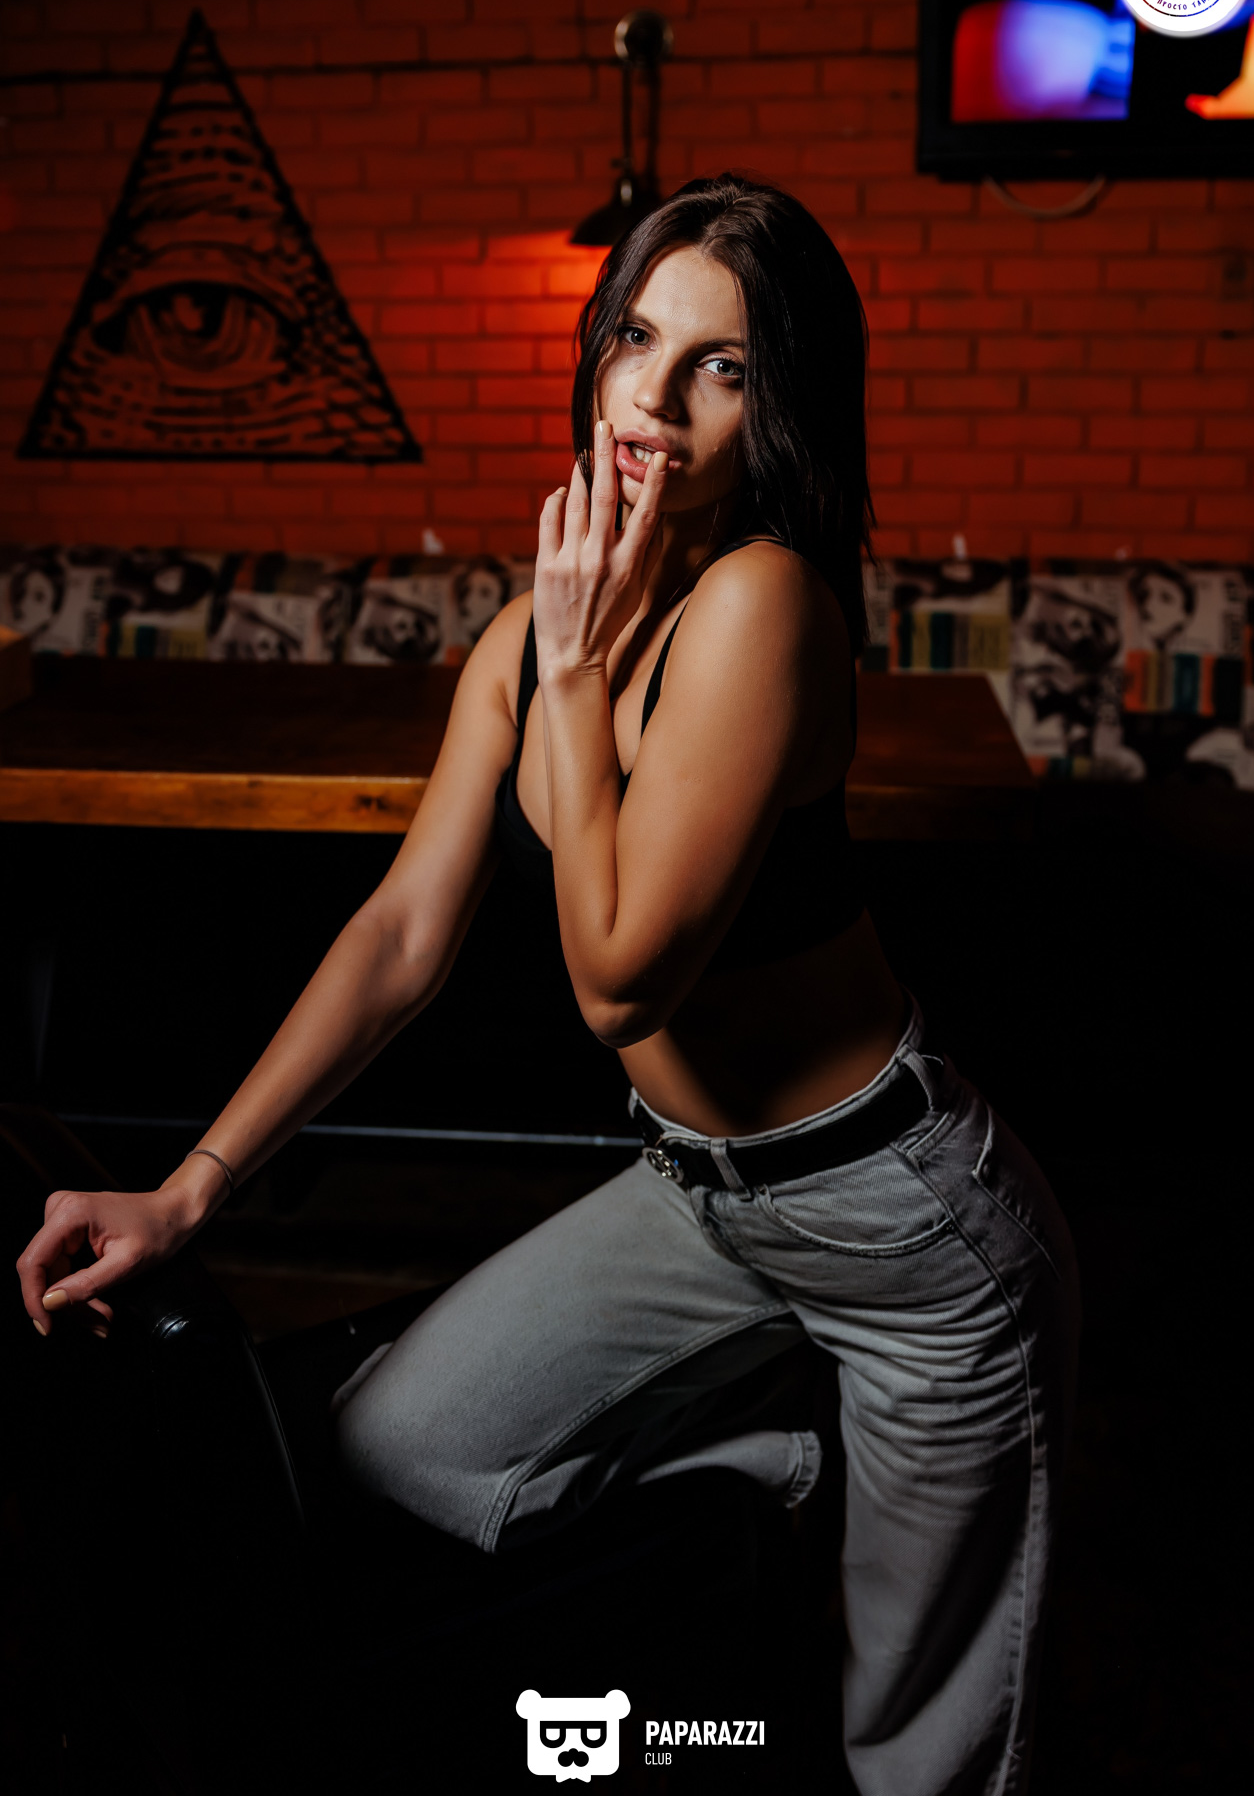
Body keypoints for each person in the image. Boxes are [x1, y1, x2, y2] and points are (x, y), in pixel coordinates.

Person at [16, 176, 1079, 1795]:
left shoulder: (761, 604)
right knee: (397, 1447)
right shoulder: (526, 635)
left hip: (902, 1230)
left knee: (916, 1752)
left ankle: (859, 1459)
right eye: (636, 339)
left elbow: (618, 983)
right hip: (701, 1200)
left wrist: (576, 675)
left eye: (721, 366)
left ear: (781, 405)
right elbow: (403, 932)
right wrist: (189, 1189)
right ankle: (774, 1460)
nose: (653, 399)